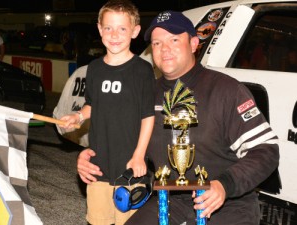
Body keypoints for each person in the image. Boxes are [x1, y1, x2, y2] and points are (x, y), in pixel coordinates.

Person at [77, 10, 280, 225]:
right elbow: (125, 143)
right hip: (169, 199)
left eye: (174, 39)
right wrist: (91, 158)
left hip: (227, 203)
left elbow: (266, 150)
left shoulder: (226, 90)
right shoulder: (146, 93)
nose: (164, 48)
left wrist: (224, 185)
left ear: (193, 44)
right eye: (156, 43)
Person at [60, 1, 155, 225]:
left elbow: (148, 116)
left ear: (135, 31)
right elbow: (92, 104)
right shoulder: (93, 69)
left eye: (122, 28)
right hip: (98, 164)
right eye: (108, 28)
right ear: (100, 29)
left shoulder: (142, 70)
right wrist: (78, 116)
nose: (114, 34)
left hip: (130, 167)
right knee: (98, 220)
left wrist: (139, 155)